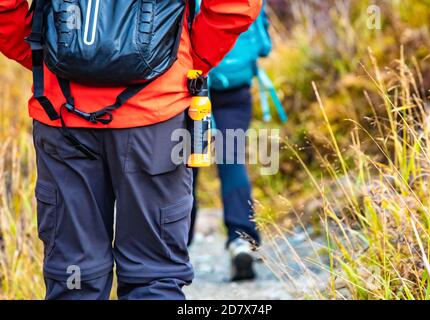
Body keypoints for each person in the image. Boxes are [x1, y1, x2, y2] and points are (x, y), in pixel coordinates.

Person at [0, 0, 262, 300]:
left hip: (62, 113)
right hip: (156, 118)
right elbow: (235, 6)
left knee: (73, 275)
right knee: (153, 276)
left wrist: (47, 60)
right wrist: (187, 61)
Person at [188, 1, 272, 281]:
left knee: (185, 166)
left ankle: (175, 245)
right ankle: (241, 240)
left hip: (193, 86)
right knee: (232, 161)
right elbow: (263, 46)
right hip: (235, 90)